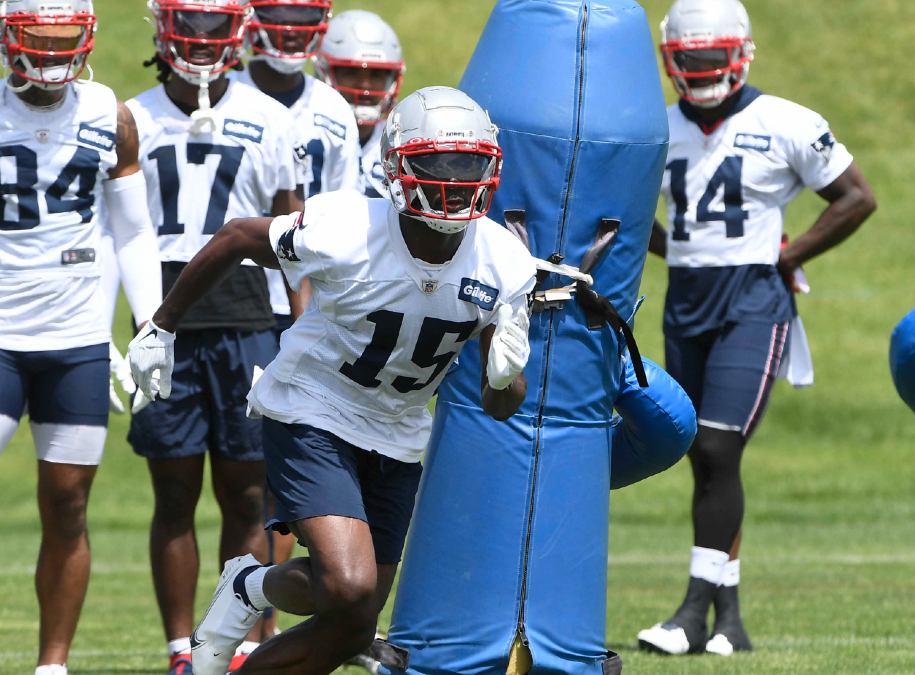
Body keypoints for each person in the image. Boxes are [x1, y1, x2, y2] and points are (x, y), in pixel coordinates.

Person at [128, 86, 537, 675]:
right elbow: (239, 236)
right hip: (313, 407)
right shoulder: (346, 227)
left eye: (466, 165)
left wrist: (508, 370)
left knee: (355, 619)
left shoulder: (505, 263)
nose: (452, 180)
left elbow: (499, 403)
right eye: (436, 164)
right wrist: (162, 327)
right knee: (347, 587)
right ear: (398, 166)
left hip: (397, 431)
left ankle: (248, 589)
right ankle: (252, 589)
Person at [637, 0, 877, 657]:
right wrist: (677, 248)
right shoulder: (655, 131)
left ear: (740, 53)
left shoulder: (786, 121)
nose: (704, 69)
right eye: (690, 59)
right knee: (704, 455)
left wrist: (789, 255)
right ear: (671, 60)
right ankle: (730, 621)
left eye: (713, 57)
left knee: (717, 448)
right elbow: (630, 214)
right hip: (686, 298)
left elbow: (857, 196)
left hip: (753, 299)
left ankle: (691, 612)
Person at [127, 1, 302, 673]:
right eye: (187, 27)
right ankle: (180, 648)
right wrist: (140, 322)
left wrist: (300, 326)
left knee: (250, 493)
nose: (200, 43)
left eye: (213, 28)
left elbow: (294, 233)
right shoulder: (134, 115)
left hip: (250, 316)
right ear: (162, 30)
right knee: (173, 492)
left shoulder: (271, 117)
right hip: (162, 317)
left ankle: (238, 644)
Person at [0, 2, 162, 674]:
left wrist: (152, 324)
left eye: (63, 40)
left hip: (76, 340)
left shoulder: (109, 113)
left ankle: (52, 664)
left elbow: (131, 229)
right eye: (36, 40)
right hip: (2, 335)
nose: (49, 55)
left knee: (68, 502)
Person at [230, 0, 359, 336]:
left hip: (313, 293)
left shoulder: (334, 107)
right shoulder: (225, 94)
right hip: (234, 292)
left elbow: (344, 214)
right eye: (277, 16)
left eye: (303, 17)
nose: (290, 29)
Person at [313, 9, 405, 199]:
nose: (365, 85)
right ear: (325, 72)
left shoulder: (401, 146)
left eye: (377, 74)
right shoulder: (303, 135)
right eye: (351, 72)